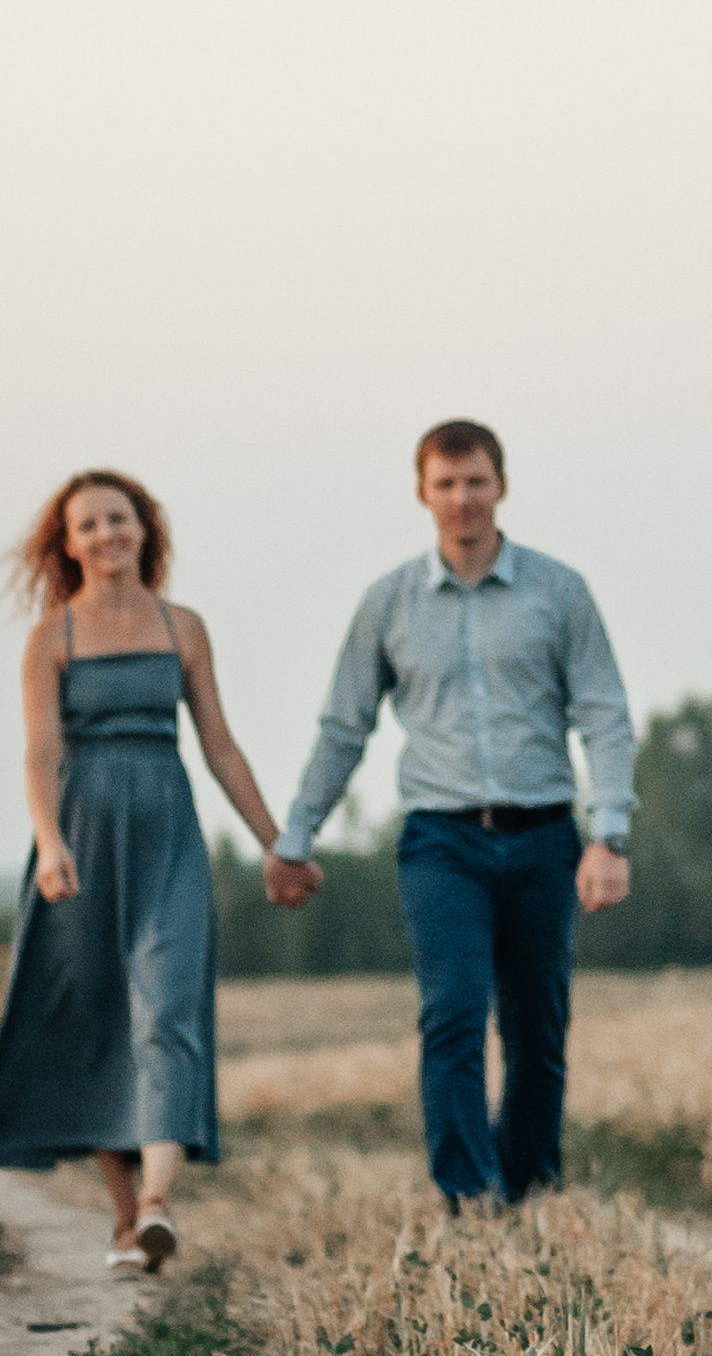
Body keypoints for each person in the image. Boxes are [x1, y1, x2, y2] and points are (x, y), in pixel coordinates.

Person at [266, 420, 635, 1208]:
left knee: (537, 1026)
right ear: (422, 492)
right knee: (453, 1015)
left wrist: (608, 835)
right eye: (446, 484)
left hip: (543, 834)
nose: (462, 498)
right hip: (441, 840)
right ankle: (469, 1197)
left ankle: (528, 1186)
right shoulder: (387, 603)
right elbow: (344, 727)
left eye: (475, 481)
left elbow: (604, 715)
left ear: (501, 485)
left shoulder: (559, 592)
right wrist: (296, 836)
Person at [0, 470, 306, 1271]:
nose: (106, 534)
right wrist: (50, 842)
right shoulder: (51, 636)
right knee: (97, 1020)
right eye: (88, 525)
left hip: (167, 834)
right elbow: (40, 753)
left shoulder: (182, 626)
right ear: (68, 543)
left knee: (167, 1009)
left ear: (145, 527)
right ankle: (127, 1221)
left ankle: (156, 1201)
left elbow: (220, 746)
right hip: (81, 841)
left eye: (118, 519)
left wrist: (278, 843)